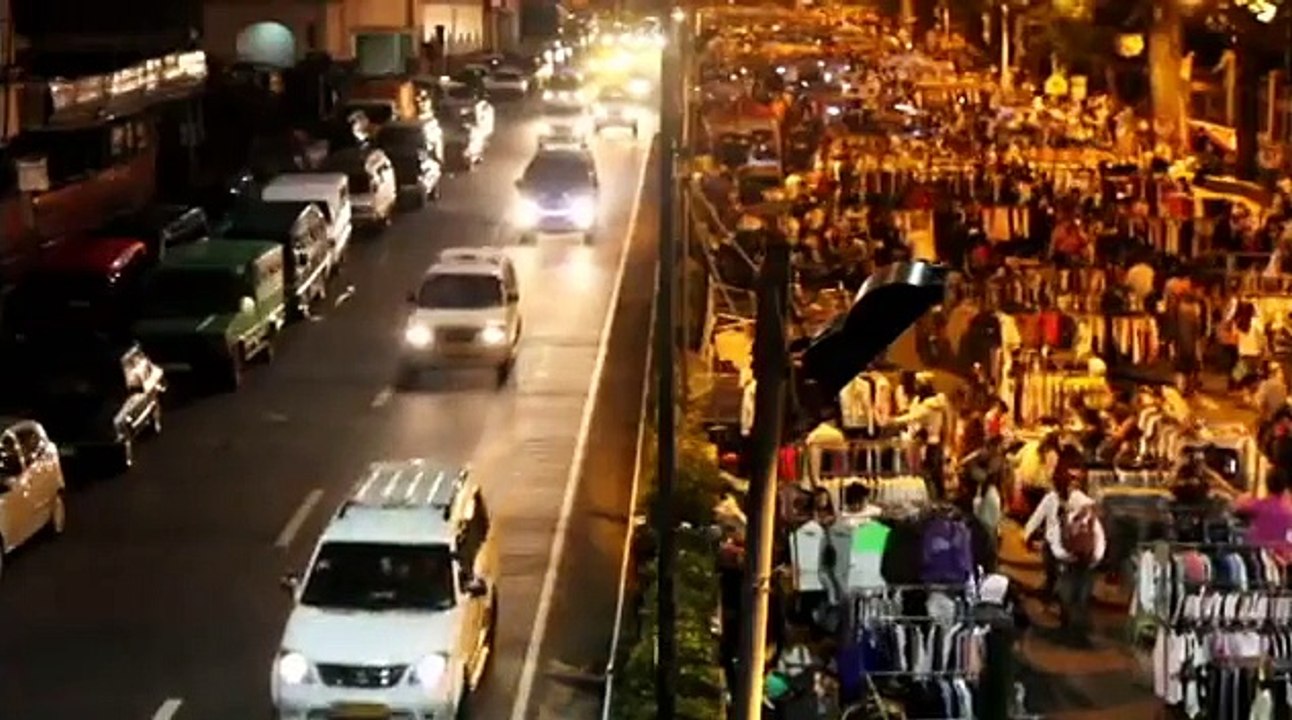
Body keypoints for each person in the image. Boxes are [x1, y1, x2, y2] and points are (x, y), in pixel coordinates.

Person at [1022, 448, 1105, 646]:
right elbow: (1098, 533)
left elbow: (1036, 521)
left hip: (1061, 554)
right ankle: (1079, 631)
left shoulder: (1052, 499)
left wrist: (1027, 537)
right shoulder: (1087, 504)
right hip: (1085, 558)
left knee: (1064, 589)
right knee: (1080, 594)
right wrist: (1096, 557)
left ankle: (1065, 625)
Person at [1236, 468, 1292, 563]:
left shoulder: (1260, 505)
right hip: (1283, 559)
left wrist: (1245, 496)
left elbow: (1238, 506)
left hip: (1259, 557)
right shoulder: (1289, 509)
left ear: (1267, 484)